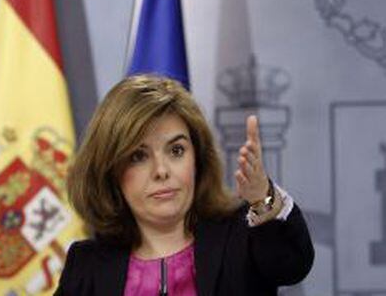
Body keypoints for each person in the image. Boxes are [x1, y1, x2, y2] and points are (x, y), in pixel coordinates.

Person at [54, 74, 314, 296]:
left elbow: (292, 264)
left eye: (176, 150)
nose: (162, 171)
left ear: (197, 158)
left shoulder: (242, 237)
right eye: (138, 156)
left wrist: (262, 198)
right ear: (110, 170)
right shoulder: (86, 267)